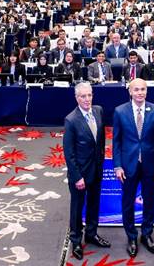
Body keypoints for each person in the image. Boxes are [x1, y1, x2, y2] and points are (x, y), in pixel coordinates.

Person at [112, 79, 154, 257]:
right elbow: (116, 141)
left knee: (150, 201)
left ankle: (147, 235)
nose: (140, 92)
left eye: (143, 89)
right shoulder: (120, 111)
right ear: (130, 91)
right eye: (137, 90)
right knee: (128, 202)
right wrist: (117, 165)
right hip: (128, 165)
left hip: (150, 165)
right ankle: (132, 237)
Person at [64, 83, 111, 260]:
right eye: (83, 96)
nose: (87, 99)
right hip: (80, 174)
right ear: (77, 98)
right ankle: (76, 240)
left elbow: (100, 140)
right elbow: (69, 153)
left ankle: (91, 234)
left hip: (97, 169)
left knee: (94, 204)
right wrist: (77, 176)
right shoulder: (71, 120)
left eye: (89, 95)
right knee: (77, 208)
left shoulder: (98, 111)